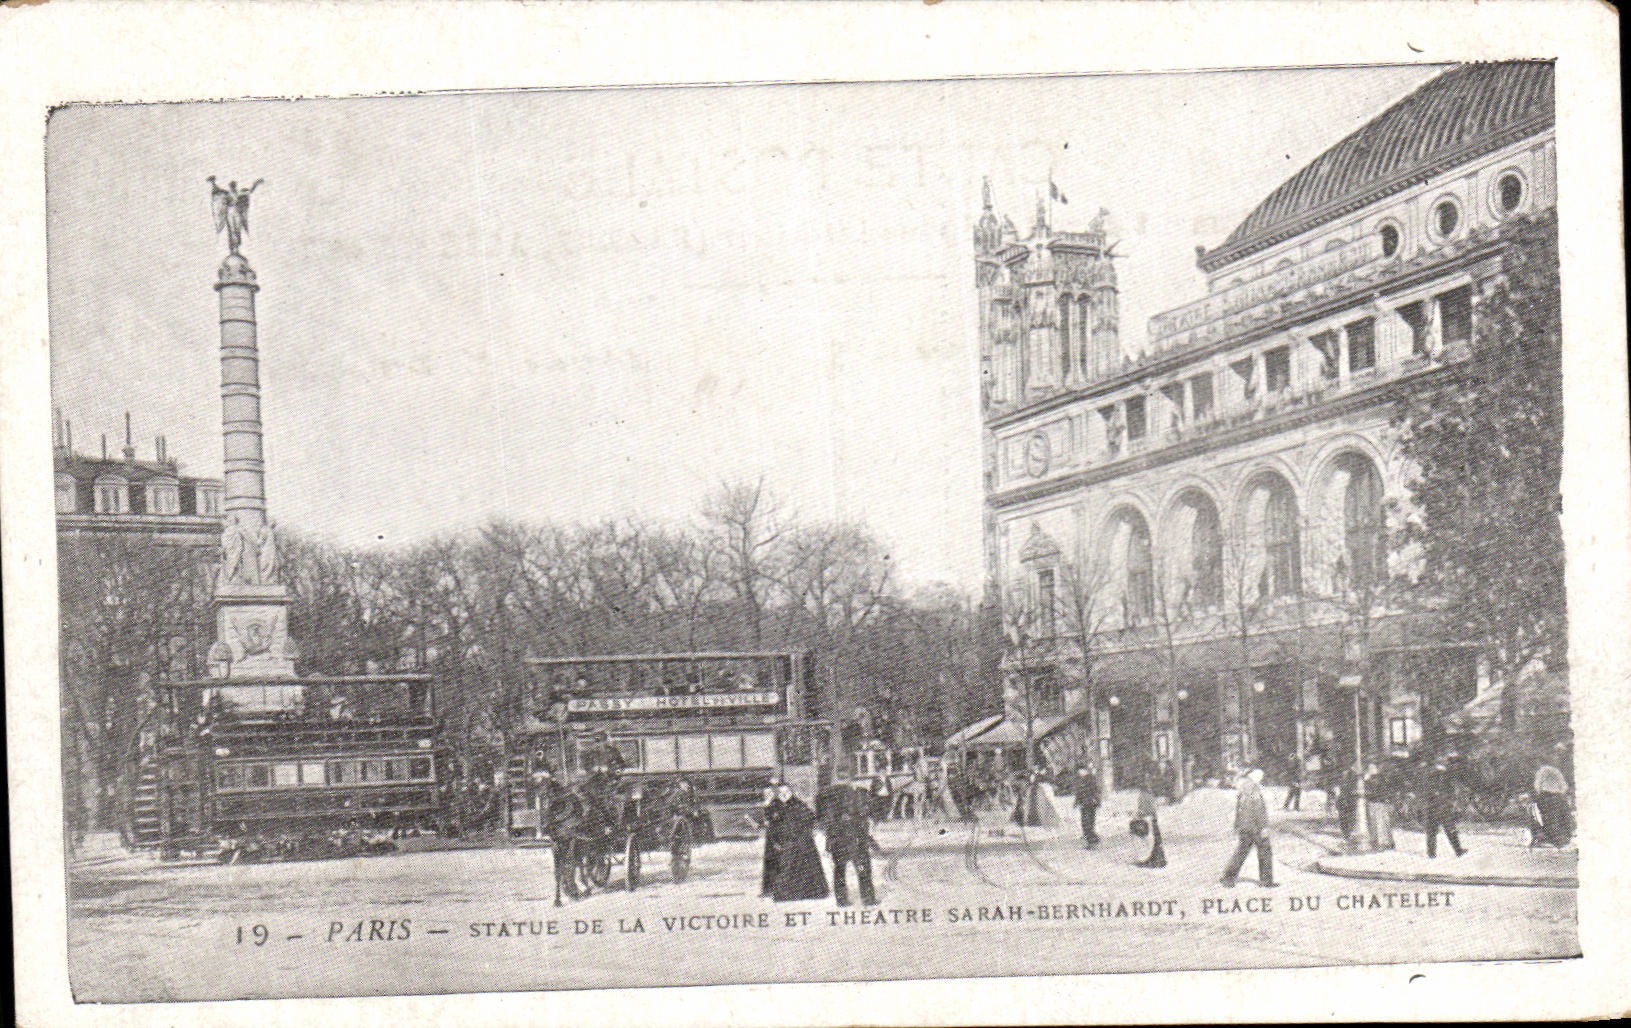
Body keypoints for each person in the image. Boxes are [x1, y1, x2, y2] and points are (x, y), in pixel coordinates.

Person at [817, 776, 878, 906]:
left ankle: (841, 900)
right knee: (862, 869)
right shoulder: (855, 796)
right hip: (854, 842)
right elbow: (861, 826)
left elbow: (828, 826)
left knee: (840, 871)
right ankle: (868, 899)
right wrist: (871, 842)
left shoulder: (831, 799)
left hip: (839, 843)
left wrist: (829, 845)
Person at [767, 784, 830, 901]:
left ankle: (810, 893)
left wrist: (803, 832)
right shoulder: (776, 807)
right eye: (781, 793)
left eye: (787, 791)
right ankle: (786, 894)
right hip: (787, 842)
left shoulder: (799, 805)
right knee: (787, 867)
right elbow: (772, 825)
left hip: (802, 842)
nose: (784, 794)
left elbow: (810, 818)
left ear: (791, 792)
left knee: (806, 867)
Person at [1220, 767, 1276, 888]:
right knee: (1265, 851)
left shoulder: (1243, 788)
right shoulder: (1254, 790)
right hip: (1255, 827)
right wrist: (1263, 827)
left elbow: (1239, 809)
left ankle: (1228, 877)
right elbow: (1258, 810)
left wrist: (1237, 824)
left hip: (1245, 826)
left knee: (1241, 852)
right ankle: (1266, 881)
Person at [1420, 755, 1467, 858]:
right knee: (1450, 828)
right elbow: (1450, 789)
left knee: (1431, 830)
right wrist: (1451, 800)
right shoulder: (1445, 774)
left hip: (1432, 805)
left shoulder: (1427, 774)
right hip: (1443, 805)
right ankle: (1458, 850)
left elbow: (1426, 790)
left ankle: (1431, 853)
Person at [1530, 762, 1572, 848]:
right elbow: (1564, 786)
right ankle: (1558, 839)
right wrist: (1560, 795)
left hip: (1545, 795)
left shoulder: (1541, 771)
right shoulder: (1556, 771)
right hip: (1558, 796)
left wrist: (1539, 795)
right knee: (1557, 817)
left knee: (1540, 815)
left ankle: (1542, 836)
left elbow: (1537, 785)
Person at [1133, 769, 1167, 868]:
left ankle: (1156, 859)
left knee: (1153, 839)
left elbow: (1147, 808)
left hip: (1149, 818)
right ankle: (1157, 858)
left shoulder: (1145, 794)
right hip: (1151, 818)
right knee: (1155, 839)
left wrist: (1141, 814)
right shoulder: (1147, 793)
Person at [759, 777, 785, 898]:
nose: (772, 790)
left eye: (775, 787)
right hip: (773, 836)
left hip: (778, 835)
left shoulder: (777, 803)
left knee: (777, 861)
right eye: (771, 787)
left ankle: (775, 888)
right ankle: (770, 888)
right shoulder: (771, 803)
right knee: (772, 861)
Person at [1364, 760, 1396, 851]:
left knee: (1376, 824)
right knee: (1383, 823)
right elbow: (1386, 791)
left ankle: (1379, 842)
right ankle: (1387, 842)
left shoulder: (1370, 781)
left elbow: (1370, 792)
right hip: (1381, 803)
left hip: (1375, 803)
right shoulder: (1381, 779)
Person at [1073, 760, 1102, 848]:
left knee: (1087, 822)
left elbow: (1096, 790)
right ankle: (1091, 840)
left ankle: (1092, 841)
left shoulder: (1090, 778)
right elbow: (1079, 792)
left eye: (1080, 771)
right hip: (1085, 804)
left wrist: (1096, 800)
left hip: (1090, 803)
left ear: (1084, 770)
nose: (1079, 773)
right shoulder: (1082, 779)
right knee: (1086, 822)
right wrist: (1076, 802)